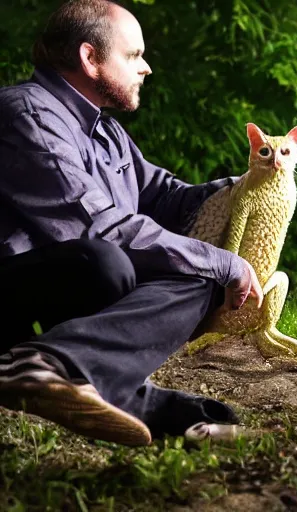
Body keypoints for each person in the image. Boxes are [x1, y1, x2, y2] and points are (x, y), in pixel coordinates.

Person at [0, 0, 263, 446]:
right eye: (134, 55)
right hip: (12, 297)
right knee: (104, 261)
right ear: (90, 58)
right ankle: (37, 364)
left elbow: (166, 198)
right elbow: (98, 227)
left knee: (201, 275)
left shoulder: (108, 132)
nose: (147, 68)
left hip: (60, 298)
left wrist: (248, 184)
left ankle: (65, 372)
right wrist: (225, 262)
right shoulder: (28, 114)